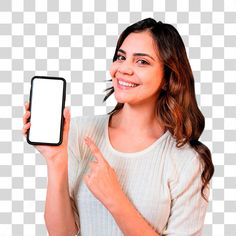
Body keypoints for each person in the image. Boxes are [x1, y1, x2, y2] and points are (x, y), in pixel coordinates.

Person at [22, 18, 214, 236]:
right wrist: (56, 161)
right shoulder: (81, 132)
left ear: (168, 77)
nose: (123, 69)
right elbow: (62, 233)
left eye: (142, 62)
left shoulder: (187, 161)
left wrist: (115, 199)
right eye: (121, 57)